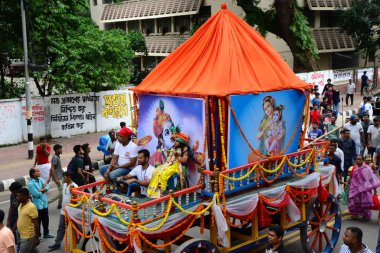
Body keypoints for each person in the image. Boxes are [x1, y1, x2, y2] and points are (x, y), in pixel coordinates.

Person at [148, 131, 190, 198]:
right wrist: (168, 161)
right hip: (170, 163)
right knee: (156, 171)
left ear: (181, 142)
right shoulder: (173, 148)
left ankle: (162, 192)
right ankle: (155, 191)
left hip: (178, 165)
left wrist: (177, 156)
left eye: (177, 141)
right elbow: (169, 158)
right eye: (174, 141)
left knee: (164, 174)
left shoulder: (185, 148)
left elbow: (184, 160)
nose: (175, 142)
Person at [48, 171, 77, 251]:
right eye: (63, 177)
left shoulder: (74, 186)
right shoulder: (64, 185)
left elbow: (77, 199)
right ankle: (57, 243)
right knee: (61, 228)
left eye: (64, 177)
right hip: (63, 211)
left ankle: (80, 241)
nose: (63, 178)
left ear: (69, 177)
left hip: (71, 211)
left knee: (77, 227)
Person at [348, 155, 380, 220]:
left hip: (366, 189)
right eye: (357, 159)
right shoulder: (355, 168)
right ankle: (354, 215)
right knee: (354, 201)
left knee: (365, 203)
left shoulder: (367, 168)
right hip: (356, 189)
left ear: (363, 160)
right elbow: (352, 178)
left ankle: (366, 216)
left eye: (360, 159)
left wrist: (374, 189)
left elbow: (371, 179)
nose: (358, 161)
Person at [27, 168, 54, 239]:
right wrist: (43, 189)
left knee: (46, 220)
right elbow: (36, 194)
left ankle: (46, 233)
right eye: (38, 171)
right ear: (33, 173)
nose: (40, 172)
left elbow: (48, 187)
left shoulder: (41, 179)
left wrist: (41, 189)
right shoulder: (30, 184)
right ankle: (37, 235)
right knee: (38, 222)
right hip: (37, 205)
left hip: (44, 203)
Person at [17, 188, 39, 253]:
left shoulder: (31, 207)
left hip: (28, 236)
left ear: (25, 196)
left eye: (19, 196)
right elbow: (20, 218)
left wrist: (36, 238)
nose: (17, 197)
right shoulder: (21, 204)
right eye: (17, 195)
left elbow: (36, 224)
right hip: (21, 234)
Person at [48, 144, 63, 209]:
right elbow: (52, 168)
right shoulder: (55, 157)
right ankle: (47, 202)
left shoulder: (57, 157)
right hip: (57, 177)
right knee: (62, 193)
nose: (62, 150)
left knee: (62, 191)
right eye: (60, 149)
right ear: (57, 150)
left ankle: (60, 204)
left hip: (60, 177)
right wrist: (56, 178)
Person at [7, 182, 21, 250]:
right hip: (13, 218)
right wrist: (8, 219)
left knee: (20, 238)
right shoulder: (12, 195)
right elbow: (11, 207)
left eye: (14, 191)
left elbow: (21, 216)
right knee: (15, 238)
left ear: (18, 190)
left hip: (21, 221)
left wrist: (14, 228)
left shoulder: (24, 197)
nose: (12, 193)